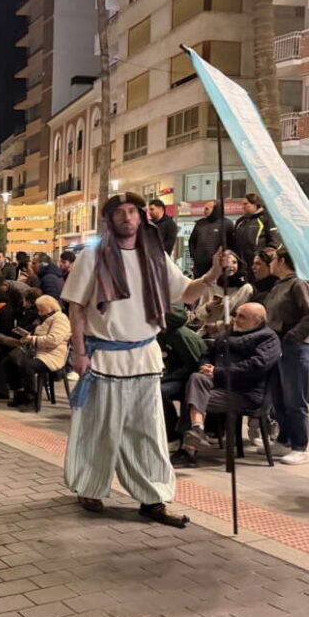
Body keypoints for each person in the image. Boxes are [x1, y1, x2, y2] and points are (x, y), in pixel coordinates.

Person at [61, 192, 222, 526]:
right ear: (109, 219)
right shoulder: (92, 256)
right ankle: (90, 486)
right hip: (104, 356)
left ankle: (153, 499)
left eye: (133, 211)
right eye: (119, 212)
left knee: (147, 431)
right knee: (100, 429)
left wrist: (211, 275)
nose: (128, 217)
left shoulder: (155, 256)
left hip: (145, 357)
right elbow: (76, 307)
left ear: (142, 217)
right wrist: (78, 353)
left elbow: (185, 292)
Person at [176, 303, 281, 466]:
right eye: (235, 315)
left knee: (192, 397)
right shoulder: (228, 333)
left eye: (241, 316)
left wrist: (218, 371)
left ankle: (188, 450)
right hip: (217, 386)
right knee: (197, 378)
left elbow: (257, 365)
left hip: (244, 392)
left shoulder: (268, 338)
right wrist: (205, 367)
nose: (235, 319)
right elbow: (207, 354)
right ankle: (197, 429)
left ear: (257, 320)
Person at [264, 248, 309, 464]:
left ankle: (300, 446)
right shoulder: (278, 285)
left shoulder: (299, 283)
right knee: (278, 396)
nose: (270, 263)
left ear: (281, 261)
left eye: (273, 259)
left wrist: (293, 336)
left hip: (295, 348)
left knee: (295, 398)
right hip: (277, 346)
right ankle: (283, 440)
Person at [2, 295, 71, 407]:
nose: (39, 312)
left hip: (51, 355)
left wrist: (33, 339)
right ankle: (19, 392)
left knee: (28, 366)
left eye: (41, 309)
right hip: (38, 352)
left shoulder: (60, 318)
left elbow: (54, 340)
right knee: (9, 361)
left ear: (49, 307)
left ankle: (30, 396)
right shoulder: (46, 319)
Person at [158, 308, 207, 443]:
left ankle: (173, 433)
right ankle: (163, 430)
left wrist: (165, 378)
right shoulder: (163, 334)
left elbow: (193, 367)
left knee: (159, 391)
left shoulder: (182, 336)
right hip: (173, 375)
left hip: (189, 379)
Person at [191, 250, 253, 337]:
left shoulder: (245, 289)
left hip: (231, 336)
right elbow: (198, 314)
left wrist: (217, 326)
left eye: (234, 262)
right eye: (226, 262)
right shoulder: (210, 285)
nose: (230, 266)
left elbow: (242, 318)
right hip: (206, 334)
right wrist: (207, 307)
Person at [233, 193, 280, 274]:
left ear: (255, 204)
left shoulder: (267, 219)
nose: (243, 206)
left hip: (259, 265)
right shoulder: (240, 221)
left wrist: (262, 258)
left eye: (246, 204)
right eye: (242, 204)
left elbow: (274, 242)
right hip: (242, 265)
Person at [188, 201, 235, 279]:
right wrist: (194, 256)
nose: (204, 211)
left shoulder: (227, 224)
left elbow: (232, 244)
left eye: (207, 209)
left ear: (215, 209)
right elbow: (192, 241)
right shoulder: (200, 224)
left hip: (218, 266)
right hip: (199, 267)